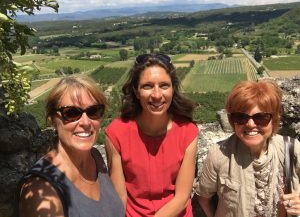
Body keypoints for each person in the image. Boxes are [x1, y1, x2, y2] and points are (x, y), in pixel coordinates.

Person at [17, 75, 125, 217]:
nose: (86, 122)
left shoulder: (96, 158)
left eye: (93, 111)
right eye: (72, 113)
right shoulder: (43, 193)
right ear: (53, 121)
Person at [105, 53, 199, 216]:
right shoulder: (116, 133)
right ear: (136, 90)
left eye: (164, 85)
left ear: (172, 88)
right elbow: (119, 197)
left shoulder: (187, 131)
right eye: (147, 86)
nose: (156, 95)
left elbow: (182, 198)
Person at [196, 80, 300, 217]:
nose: (250, 124)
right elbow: (203, 198)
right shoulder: (219, 154)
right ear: (232, 120)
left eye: (261, 117)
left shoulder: (292, 150)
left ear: (274, 119)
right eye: (241, 117)